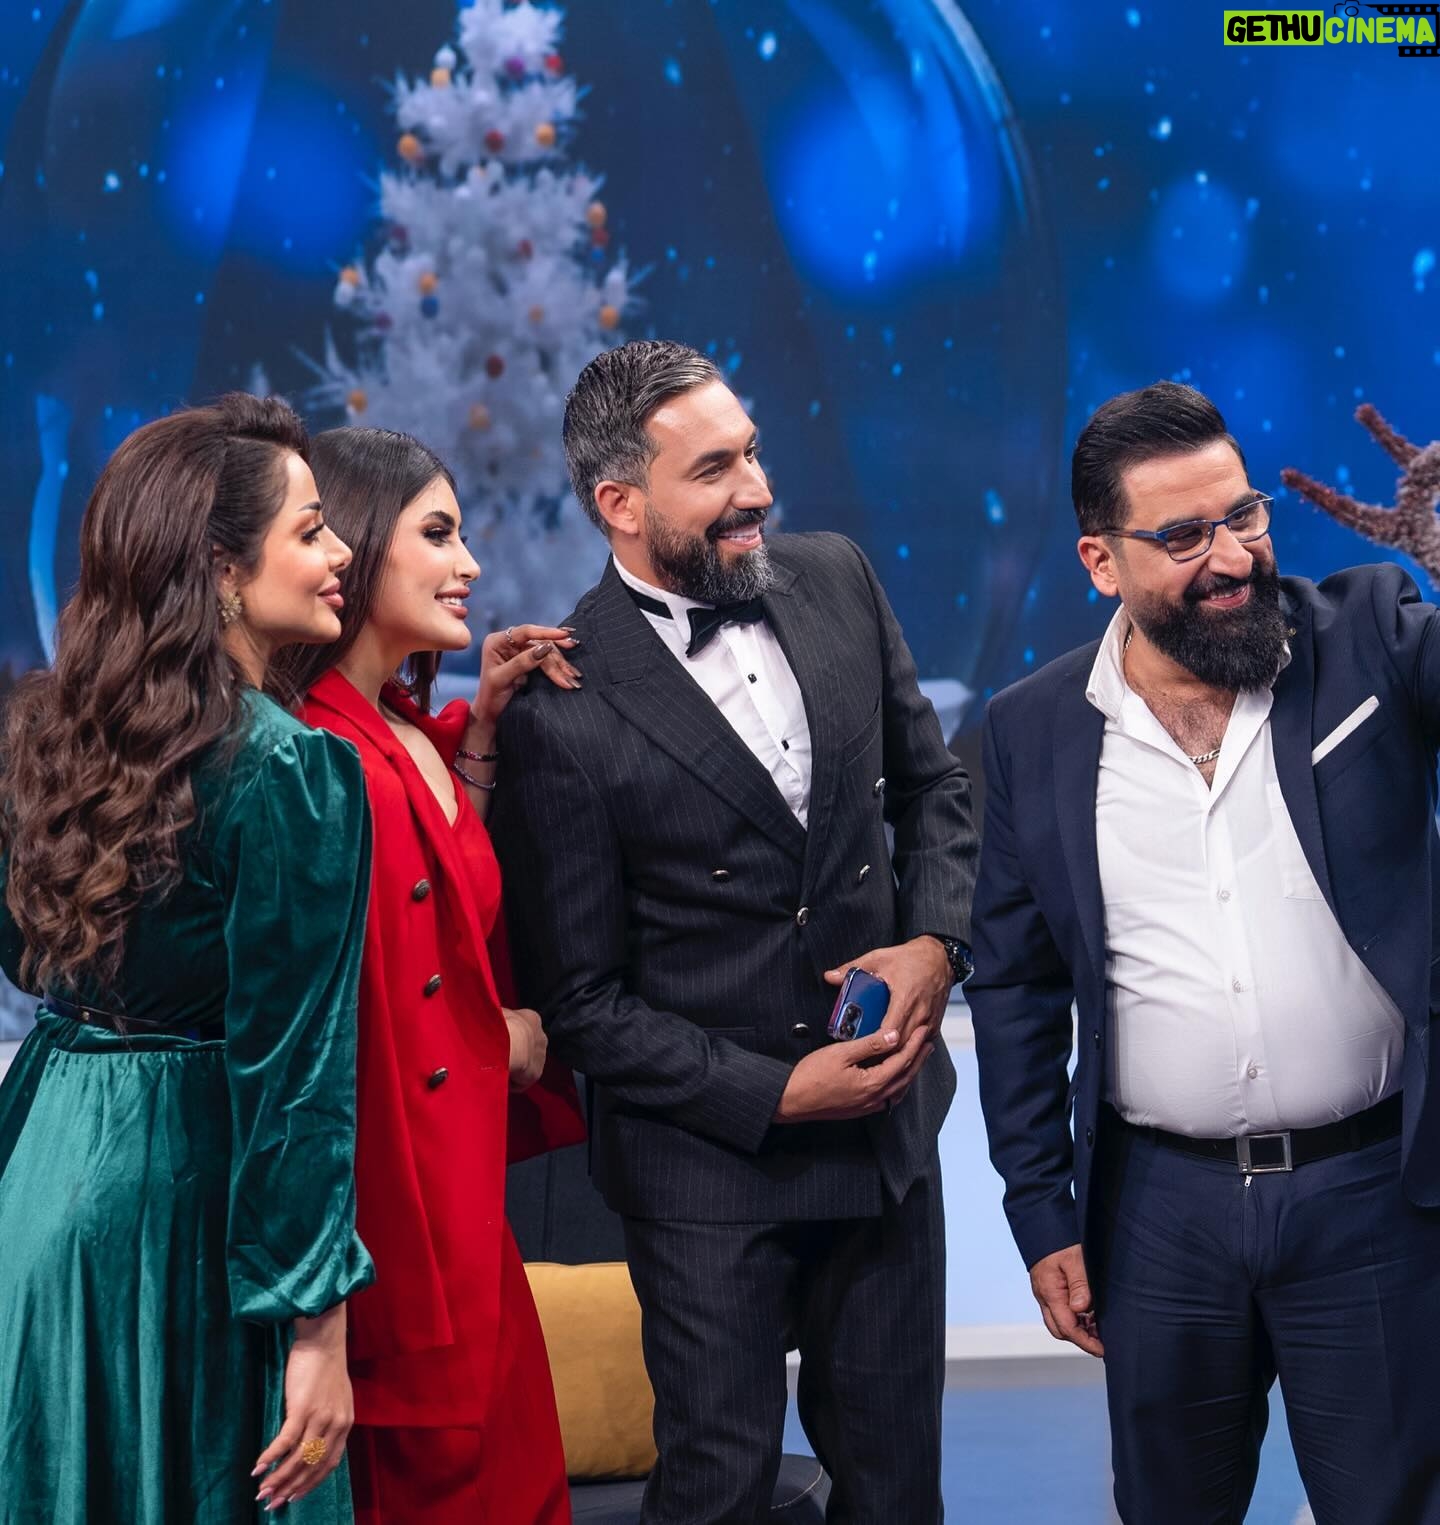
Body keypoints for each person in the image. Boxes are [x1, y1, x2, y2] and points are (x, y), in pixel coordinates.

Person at [489, 339, 977, 1523]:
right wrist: (776, 1093)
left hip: (885, 1143)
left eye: (751, 453)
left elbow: (936, 793)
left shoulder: (839, 576)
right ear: (621, 502)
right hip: (705, 1169)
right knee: (717, 1492)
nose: (756, 489)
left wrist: (935, 945)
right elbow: (584, 1003)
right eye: (713, 470)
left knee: (898, 1493)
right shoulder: (559, 704)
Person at [967, 379, 1440, 1525]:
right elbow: (1017, 987)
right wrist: (1041, 1211)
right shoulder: (1032, 729)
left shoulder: (1371, 636)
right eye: (1183, 536)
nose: (1231, 558)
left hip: (1373, 1197)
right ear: (1101, 561)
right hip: (1157, 1215)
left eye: (1244, 517)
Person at [0, 394, 374, 1522]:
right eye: (311, 528)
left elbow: (28, 959)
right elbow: (297, 1076)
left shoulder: (47, 736)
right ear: (221, 570)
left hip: (42, 1164)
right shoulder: (289, 768)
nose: (341, 552)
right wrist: (318, 1330)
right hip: (184, 1203)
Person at [273, 426, 577, 1525]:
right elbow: (379, 1024)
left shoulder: (396, 729)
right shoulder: (320, 758)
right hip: (401, 1241)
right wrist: (510, 1039)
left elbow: (437, 875)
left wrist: (481, 728)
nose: (470, 565)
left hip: (462, 1216)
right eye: (439, 534)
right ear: (358, 546)